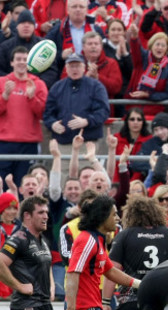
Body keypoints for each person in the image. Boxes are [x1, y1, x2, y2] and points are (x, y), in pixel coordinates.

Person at [102, 196, 168, 310]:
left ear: (130, 215)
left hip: (131, 302)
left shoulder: (124, 235)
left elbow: (112, 270)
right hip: (162, 303)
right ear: (158, 213)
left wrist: (106, 302)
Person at [42, 53, 110, 176]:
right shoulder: (57, 87)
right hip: (63, 144)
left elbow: (103, 111)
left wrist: (87, 121)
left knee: (88, 177)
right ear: (66, 69)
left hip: (87, 143)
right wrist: (52, 124)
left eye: (78, 66)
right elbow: (48, 113)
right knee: (62, 180)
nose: (75, 69)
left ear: (84, 68)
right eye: (71, 66)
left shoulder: (96, 86)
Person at [0, 46, 48, 186]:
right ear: (11, 63)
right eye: (18, 59)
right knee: (2, 184)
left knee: (26, 184)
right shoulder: (2, 82)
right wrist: (4, 96)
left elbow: (44, 113)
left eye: (25, 60)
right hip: (4, 143)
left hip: (29, 143)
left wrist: (32, 98)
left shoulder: (38, 84)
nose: (21, 62)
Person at [127, 23, 168, 115]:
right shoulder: (142, 58)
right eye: (157, 44)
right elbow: (136, 48)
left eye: (163, 46)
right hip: (134, 109)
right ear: (151, 46)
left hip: (156, 111)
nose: (160, 48)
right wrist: (135, 36)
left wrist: (149, 95)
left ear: (166, 49)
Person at [0, 10, 58, 88]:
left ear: (34, 26)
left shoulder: (43, 47)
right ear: (17, 26)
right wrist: (15, 84)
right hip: (11, 92)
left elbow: (51, 71)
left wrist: (37, 85)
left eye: (30, 23)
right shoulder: (5, 47)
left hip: (36, 92)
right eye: (23, 23)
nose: (26, 26)